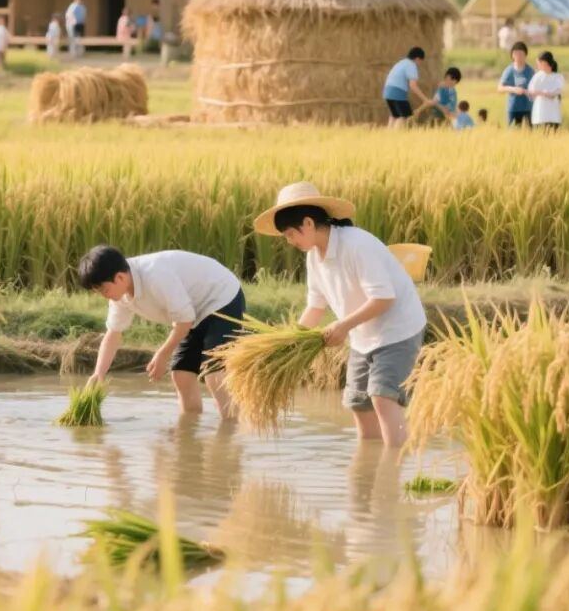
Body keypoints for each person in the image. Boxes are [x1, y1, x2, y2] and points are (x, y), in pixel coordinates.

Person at [254, 182, 426, 448]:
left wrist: (343, 326)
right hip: (362, 335)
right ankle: (367, 473)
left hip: (397, 328)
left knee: (383, 397)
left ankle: (395, 466)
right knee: (358, 402)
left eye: (290, 234)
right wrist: (289, 345)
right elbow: (315, 307)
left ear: (308, 223)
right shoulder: (313, 257)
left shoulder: (357, 245)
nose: (290, 241)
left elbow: (383, 297)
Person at [79, 245, 245, 420]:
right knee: (181, 375)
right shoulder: (120, 296)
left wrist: (163, 353)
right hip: (193, 312)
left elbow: (185, 320)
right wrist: (98, 374)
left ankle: (232, 431)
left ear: (119, 277)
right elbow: (113, 334)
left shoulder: (155, 275)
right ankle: (188, 432)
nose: (104, 296)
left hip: (221, 298)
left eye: (104, 290)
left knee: (214, 375)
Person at [382, 47, 430, 128]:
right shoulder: (411, 65)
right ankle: (397, 137)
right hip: (397, 92)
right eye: (420, 62)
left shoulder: (401, 62)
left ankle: (388, 137)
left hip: (387, 91)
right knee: (403, 116)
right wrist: (425, 99)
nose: (419, 64)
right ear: (417, 59)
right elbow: (413, 85)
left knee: (394, 116)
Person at [498, 40, 534, 127]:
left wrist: (527, 91)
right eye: (516, 54)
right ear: (512, 55)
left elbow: (535, 88)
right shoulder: (509, 70)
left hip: (528, 108)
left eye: (521, 54)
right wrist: (514, 89)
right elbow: (500, 88)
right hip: (513, 108)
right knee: (513, 133)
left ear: (525, 55)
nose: (518, 57)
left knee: (530, 134)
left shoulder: (530, 71)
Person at [528, 50, 564, 131]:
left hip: (553, 116)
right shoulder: (537, 76)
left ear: (545, 62)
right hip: (539, 115)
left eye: (539, 63)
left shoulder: (558, 77)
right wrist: (544, 93)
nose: (537, 65)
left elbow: (554, 94)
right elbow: (531, 92)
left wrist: (540, 93)